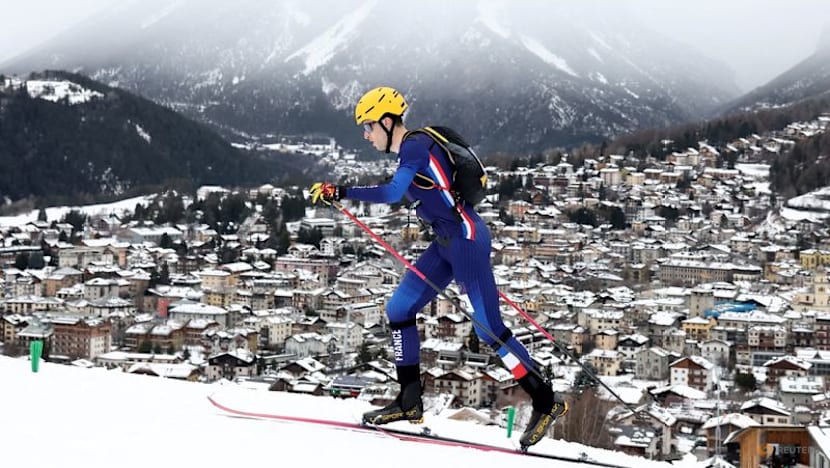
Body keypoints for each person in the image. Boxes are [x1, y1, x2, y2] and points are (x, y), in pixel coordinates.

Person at [309, 86, 568, 448]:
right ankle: (410, 400)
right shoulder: (414, 149)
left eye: (368, 127)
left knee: (490, 329)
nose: (366, 135)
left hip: (465, 241)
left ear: (386, 121)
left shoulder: (414, 147)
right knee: (399, 308)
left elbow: (391, 193)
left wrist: (340, 190)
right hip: (446, 243)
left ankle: (545, 402)